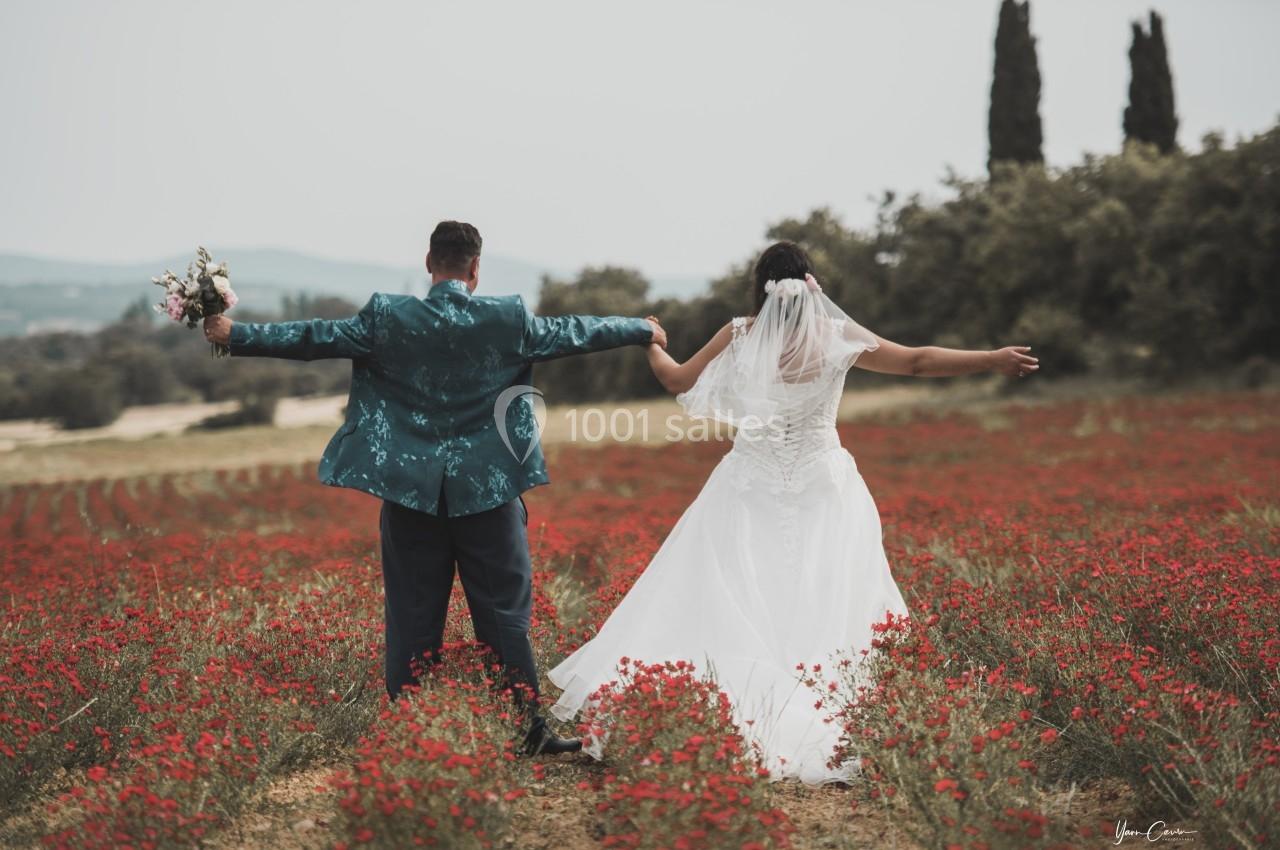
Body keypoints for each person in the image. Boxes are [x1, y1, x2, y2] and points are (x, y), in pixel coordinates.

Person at [547, 240, 1038, 783]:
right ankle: (830, 710)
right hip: (824, 485)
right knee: (828, 590)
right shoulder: (838, 336)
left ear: (759, 288)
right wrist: (991, 358)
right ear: (813, 285)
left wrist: (649, 340)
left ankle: (733, 709)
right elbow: (918, 361)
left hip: (747, 483)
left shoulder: (739, 334)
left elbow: (676, 381)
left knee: (735, 589)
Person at [202, 220, 667, 756]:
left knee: (413, 616)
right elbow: (578, 331)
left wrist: (236, 334)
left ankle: (411, 736)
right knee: (504, 618)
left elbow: (313, 337)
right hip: (489, 494)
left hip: (410, 497)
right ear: (475, 268)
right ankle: (528, 731)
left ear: (429, 264)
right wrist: (641, 328)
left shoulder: (386, 317)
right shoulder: (508, 318)